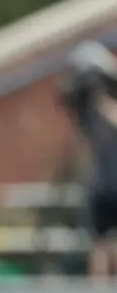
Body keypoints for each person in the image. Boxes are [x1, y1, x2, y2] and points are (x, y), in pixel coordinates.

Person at [62, 41, 117, 280]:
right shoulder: (88, 116)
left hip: (104, 182)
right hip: (103, 183)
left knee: (103, 242)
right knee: (101, 242)